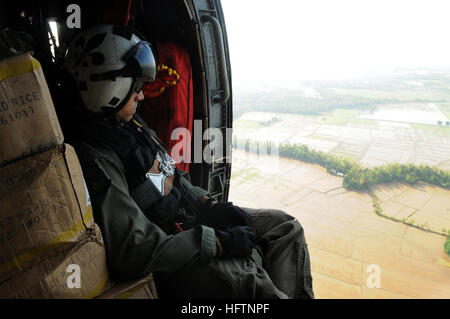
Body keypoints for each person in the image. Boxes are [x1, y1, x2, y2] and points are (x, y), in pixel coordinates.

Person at [64, 24, 314, 299]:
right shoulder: (98, 157)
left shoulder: (128, 125)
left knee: (284, 227)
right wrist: (217, 242)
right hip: (171, 256)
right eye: (135, 88)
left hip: (188, 222)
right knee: (251, 286)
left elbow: (170, 176)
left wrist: (211, 204)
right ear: (108, 88)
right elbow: (133, 250)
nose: (142, 95)